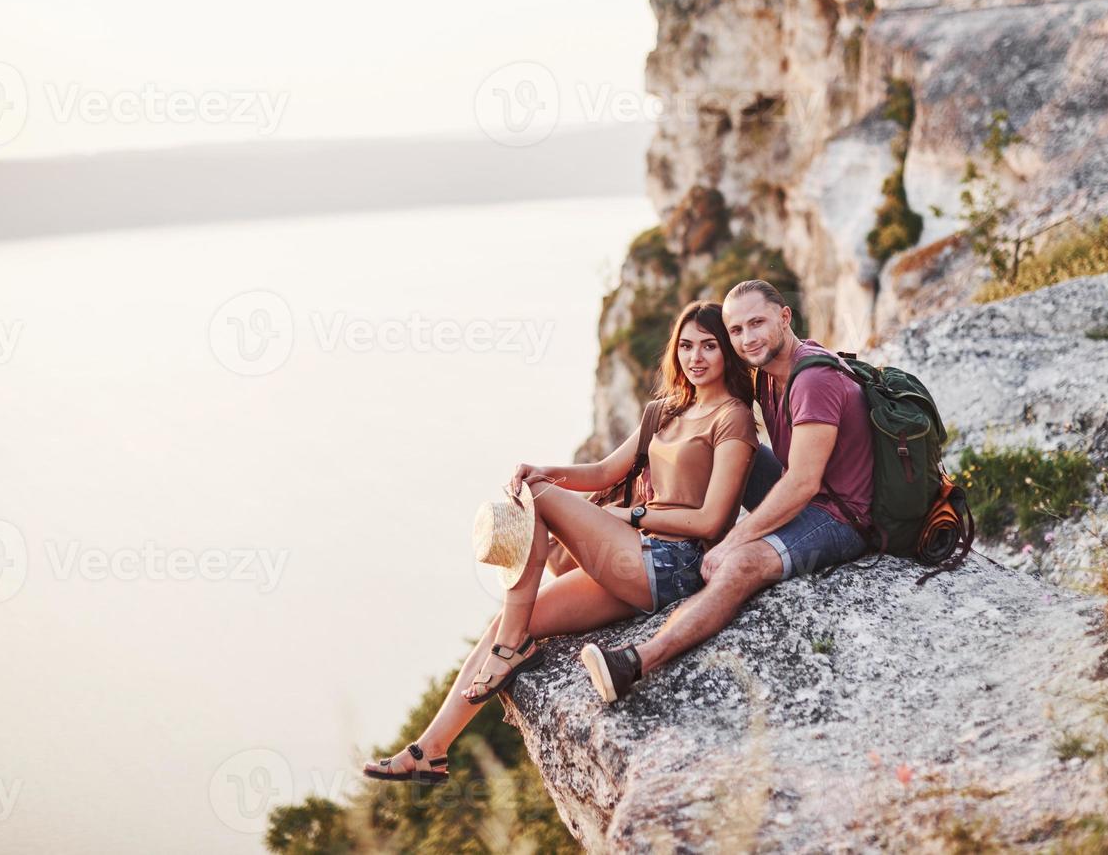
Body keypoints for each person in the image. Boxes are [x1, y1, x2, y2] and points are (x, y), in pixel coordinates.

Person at [362, 300, 760, 783]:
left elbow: (712, 520)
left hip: (672, 565)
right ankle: (430, 751)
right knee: (512, 615)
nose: (696, 357)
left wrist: (627, 513)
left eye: (710, 346)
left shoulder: (733, 418)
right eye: (687, 345)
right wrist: (547, 469)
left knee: (539, 504)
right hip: (630, 561)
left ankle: (513, 648)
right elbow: (604, 470)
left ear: (727, 354)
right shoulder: (664, 411)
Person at [578, 279, 875, 702]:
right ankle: (686, 542)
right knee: (732, 447)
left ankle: (633, 662)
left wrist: (733, 541)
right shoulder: (769, 375)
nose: (747, 338)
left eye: (757, 323)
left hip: (841, 514)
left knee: (739, 566)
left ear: (784, 317)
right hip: (812, 491)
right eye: (736, 331)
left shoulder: (811, 380)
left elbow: (803, 483)